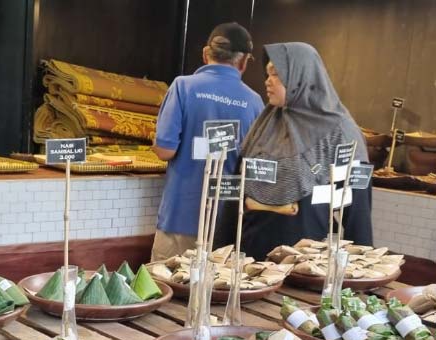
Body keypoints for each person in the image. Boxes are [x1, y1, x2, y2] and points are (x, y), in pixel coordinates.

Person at [240, 42, 372, 262]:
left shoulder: (339, 131)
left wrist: (360, 271)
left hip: (306, 260)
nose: (267, 81)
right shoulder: (267, 123)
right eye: (267, 73)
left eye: (276, 74)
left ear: (301, 77)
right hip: (252, 254)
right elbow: (239, 182)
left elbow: (357, 209)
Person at [152, 22, 264, 262]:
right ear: (244, 61)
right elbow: (256, 166)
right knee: (215, 295)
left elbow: (164, 150)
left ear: (206, 54)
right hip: (228, 223)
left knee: (168, 289)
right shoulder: (255, 102)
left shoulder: (183, 87)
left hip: (180, 217)